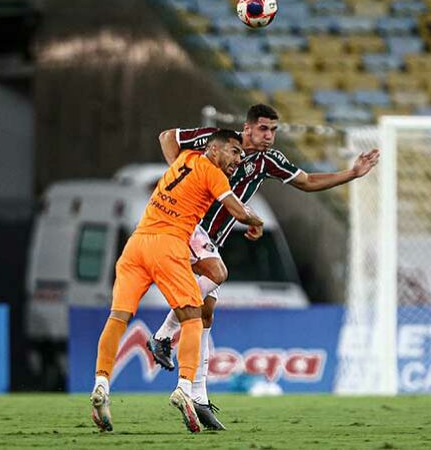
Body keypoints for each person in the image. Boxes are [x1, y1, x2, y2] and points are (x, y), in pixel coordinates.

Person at [147, 104, 380, 430]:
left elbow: (309, 180)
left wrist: (351, 173)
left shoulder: (267, 161)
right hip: (186, 227)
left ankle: (196, 395)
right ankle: (163, 339)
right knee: (211, 285)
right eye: (263, 129)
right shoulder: (214, 142)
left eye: (273, 130)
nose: (269, 136)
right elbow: (168, 137)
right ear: (247, 128)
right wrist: (181, 176)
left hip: (212, 239)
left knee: (205, 312)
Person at [90, 129, 264, 434]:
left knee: (118, 318)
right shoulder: (213, 173)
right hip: (169, 246)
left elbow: (167, 138)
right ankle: (185, 387)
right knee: (193, 317)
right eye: (234, 151)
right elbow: (237, 210)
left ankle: (101, 384)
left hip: (136, 245)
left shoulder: (185, 158)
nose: (239, 158)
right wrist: (256, 221)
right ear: (214, 149)